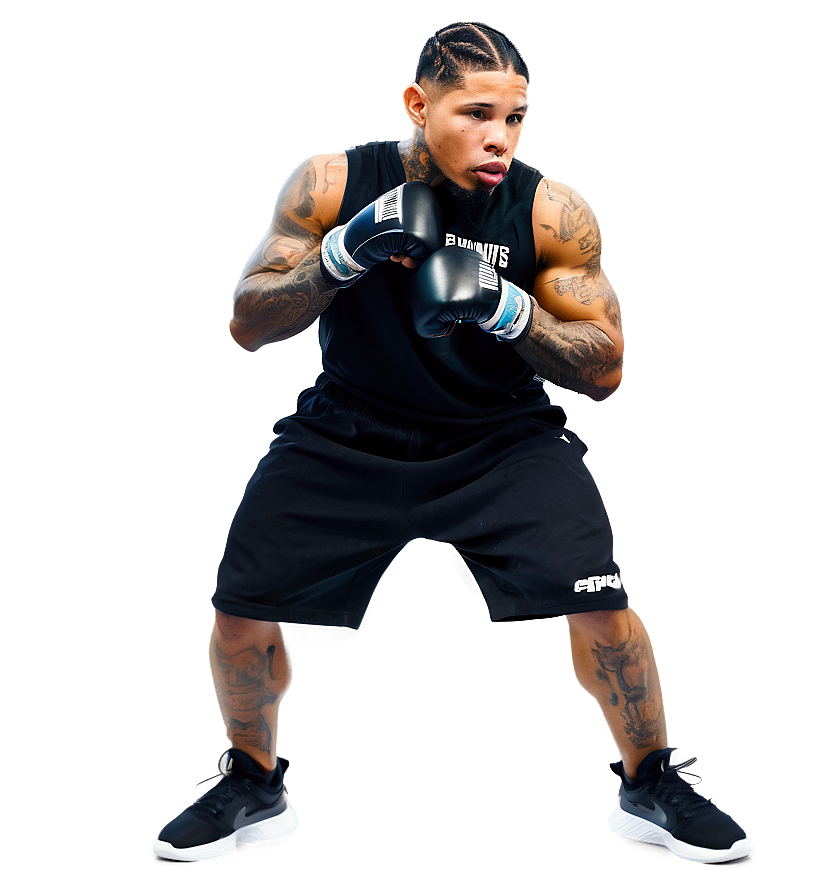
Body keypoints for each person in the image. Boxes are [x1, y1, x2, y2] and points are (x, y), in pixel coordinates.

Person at [152, 22, 753, 865]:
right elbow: (248, 322)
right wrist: (344, 253)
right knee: (236, 618)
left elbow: (606, 366)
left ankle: (650, 780)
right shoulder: (333, 184)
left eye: (516, 118)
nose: (500, 138)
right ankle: (252, 781)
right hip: (346, 433)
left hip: (500, 440)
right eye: (477, 113)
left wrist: (507, 307)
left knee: (605, 610)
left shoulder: (548, 210)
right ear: (417, 103)